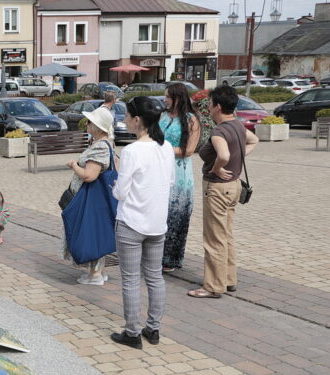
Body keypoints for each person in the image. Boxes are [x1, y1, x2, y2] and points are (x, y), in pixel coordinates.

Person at [110, 96, 174, 349]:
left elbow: (121, 192)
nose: (124, 119)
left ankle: (132, 332)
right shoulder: (165, 147)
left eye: (126, 115)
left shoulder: (132, 151)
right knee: (155, 277)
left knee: (130, 280)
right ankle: (154, 328)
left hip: (131, 222)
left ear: (137, 120)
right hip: (158, 222)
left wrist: (116, 185)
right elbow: (169, 182)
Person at [188, 85, 259, 298]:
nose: (207, 107)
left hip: (217, 188)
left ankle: (212, 286)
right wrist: (241, 156)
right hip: (234, 187)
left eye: (209, 104)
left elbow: (224, 155)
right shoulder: (237, 126)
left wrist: (217, 168)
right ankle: (228, 279)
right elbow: (254, 140)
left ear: (218, 106)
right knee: (226, 235)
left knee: (213, 238)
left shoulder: (219, 131)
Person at [62, 107, 116, 285]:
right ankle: (95, 272)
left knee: (90, 232)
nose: (87, 124)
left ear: (99, 127)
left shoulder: (100, 146)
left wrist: (74, 165)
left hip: (92, 198)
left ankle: (96, 275)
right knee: (94, 232)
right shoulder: (103, 144)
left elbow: (89, 175)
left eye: (91, 122)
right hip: (93, 199)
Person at [160, 83, 201, 272]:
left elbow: (189, 150)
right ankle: (154, 256)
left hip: (179, 176)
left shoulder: (191, 120)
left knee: (176, 217)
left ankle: (171, 259)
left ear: (177, 98)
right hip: (159, 172)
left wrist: (162, 149)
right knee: (159, 215)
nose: (164, 100)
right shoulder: (162, 116)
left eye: (167, 96)